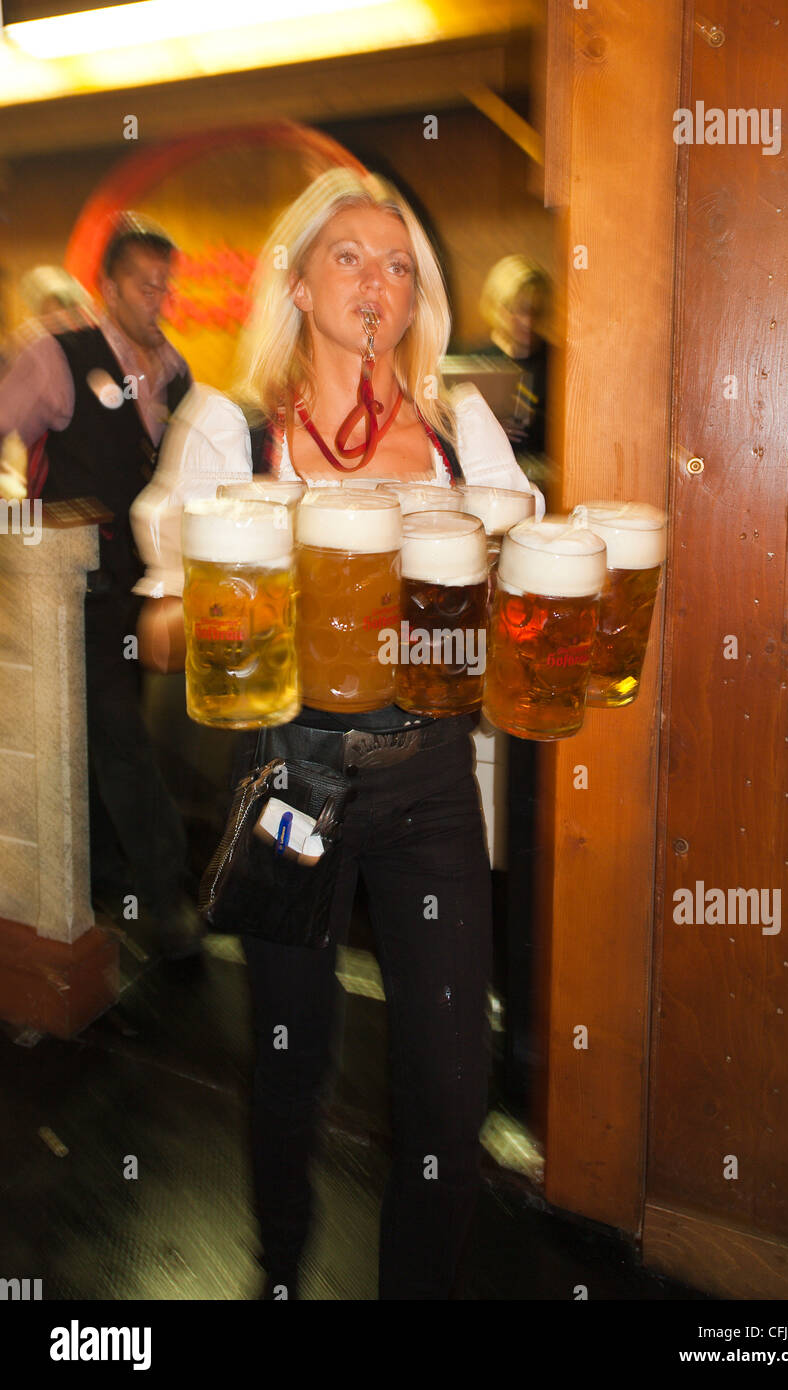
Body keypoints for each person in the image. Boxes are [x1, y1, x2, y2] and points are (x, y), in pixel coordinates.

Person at [131, 168, 544, 1299]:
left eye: (400, 261)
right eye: (351, 255)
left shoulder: (461, 430)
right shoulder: (234, 427)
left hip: (431, 781)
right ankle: (276, 1274)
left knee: (450, 1092)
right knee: (290, 1061)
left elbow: (513, 596)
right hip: (289, 776)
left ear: (420, 299)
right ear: (301, 285)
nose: (379, 277)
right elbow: (161, 630)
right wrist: (217, 614)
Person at [0, 213, 203, 960]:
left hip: (140, 591)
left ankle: (108, 880)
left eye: (166, 285)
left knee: (106, 736)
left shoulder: (175, 371)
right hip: (68, 589)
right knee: (117, 737)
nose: (159, 298)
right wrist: (18, 522)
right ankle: (165, 895)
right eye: (146, 284)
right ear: (107, 287)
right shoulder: (55, 356)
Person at [479, 254, 552, 492]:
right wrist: (488, 425)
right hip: (487, 483)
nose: (527, 320)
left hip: (544, 484)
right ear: (497, 305)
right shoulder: (473, 361)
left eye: (536, 311)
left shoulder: (560, 364)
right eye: (518, 309)